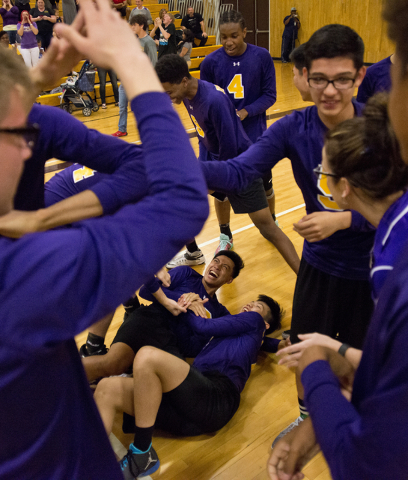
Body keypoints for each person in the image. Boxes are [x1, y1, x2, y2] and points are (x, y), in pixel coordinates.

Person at [0, 1, 208, 478]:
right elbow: (180, 196)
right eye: (16, 134)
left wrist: (43, 217)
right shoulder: (22, 275)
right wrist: (135, 64)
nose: (26, 144)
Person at [199, 24, 375, 440]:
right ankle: (304, 414)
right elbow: (240, 169)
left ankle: (355, 423)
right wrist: (176, 167)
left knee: (359, 357)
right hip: (318, 264)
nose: (329, 91)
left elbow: (400, 210)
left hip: (368, 268)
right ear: (305, 76)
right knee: (304, 347)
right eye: (319, 79)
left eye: (342, 80)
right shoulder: (294, 128)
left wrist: (345, 219)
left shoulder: (380, 130)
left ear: (360, 77)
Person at [267, 1, 408, 476]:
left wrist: (319, 369)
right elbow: (386, 372)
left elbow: (363, 460)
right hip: (323, 271)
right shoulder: (396, 234)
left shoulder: (393, 261)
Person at [275, 93, 408, 370]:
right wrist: (337, 348)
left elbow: (394, 372)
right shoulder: (394, 222)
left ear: (344, 187)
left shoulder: (391, 263)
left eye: (323, 173)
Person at [94, 293, 283, 478]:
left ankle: (143, 453)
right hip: (190, 408)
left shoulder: (254, 323)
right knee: (106, 389)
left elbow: (202, 326)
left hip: (217, 398)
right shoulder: (246, 334)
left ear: (264, 324)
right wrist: (280, 344)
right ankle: (94, 467)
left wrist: (186, 304)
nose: (250, 306)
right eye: (250, 303)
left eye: (257, 307)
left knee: (147, 356)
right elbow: (265, 342)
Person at [156, 55, 300, 274]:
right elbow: (204, 133)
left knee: (267, 227)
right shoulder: (187, 94)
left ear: (184, 81)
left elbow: (230, 149)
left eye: (169, 92)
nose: (168, 97)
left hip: (240, 168)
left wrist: (216, 183)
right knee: (177, 199)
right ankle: (193, 252)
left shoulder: (213, 101)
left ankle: (303, 275)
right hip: (217, 163)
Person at [82, 251, 244, 382]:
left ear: (229, 280)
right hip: (150, 323)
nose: (217, 266)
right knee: (113, 364)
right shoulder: (186, 273)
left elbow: (240, 334)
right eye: (216, 261)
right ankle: (64, 376)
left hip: (171, 349)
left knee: (131, 383)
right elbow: (146, 290)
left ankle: (129, 310)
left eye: (225, 267)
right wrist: (182, 300)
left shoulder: (220, 312)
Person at [201, 10, 278, 251]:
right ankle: (225, 235)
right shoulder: (211, 62)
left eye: (234, 35)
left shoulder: (262, 57)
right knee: (221, 192)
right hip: (221, 141)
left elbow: (270, 95)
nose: (228, 42)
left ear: (245, 32)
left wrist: (246, 112)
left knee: (265, 185)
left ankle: (272, 222)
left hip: (255, 137)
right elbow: (203, 99)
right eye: (224, 37)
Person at [112, 13, 157, 137]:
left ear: (141, 26)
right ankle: (122, 129)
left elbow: (153, 64)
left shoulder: (149, 42)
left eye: (134, 25)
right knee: (122, 107)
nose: (132, 27)